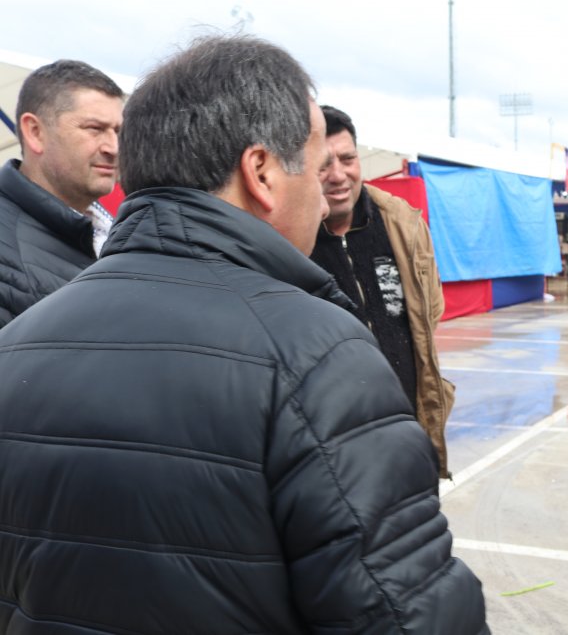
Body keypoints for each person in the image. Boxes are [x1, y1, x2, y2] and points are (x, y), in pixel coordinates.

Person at [0, 35, 488, 634]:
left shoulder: (18, 342)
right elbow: (404, 615)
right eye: (312, 166)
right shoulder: (317, 354)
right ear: (260, 172)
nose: (324, 188)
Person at [311, 105, 455, 478]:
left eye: (347, 158)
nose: (338, 175)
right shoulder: (293, 237)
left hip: (411, 429)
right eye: (324, 164)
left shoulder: (402, 221)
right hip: (335, 445)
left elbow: (429, 310)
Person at [0, 59, 123, 327]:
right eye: (95, 129)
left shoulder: (116, 229)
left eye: (117, 131)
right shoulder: (7, 247)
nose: (113, 147)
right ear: (35, 132)